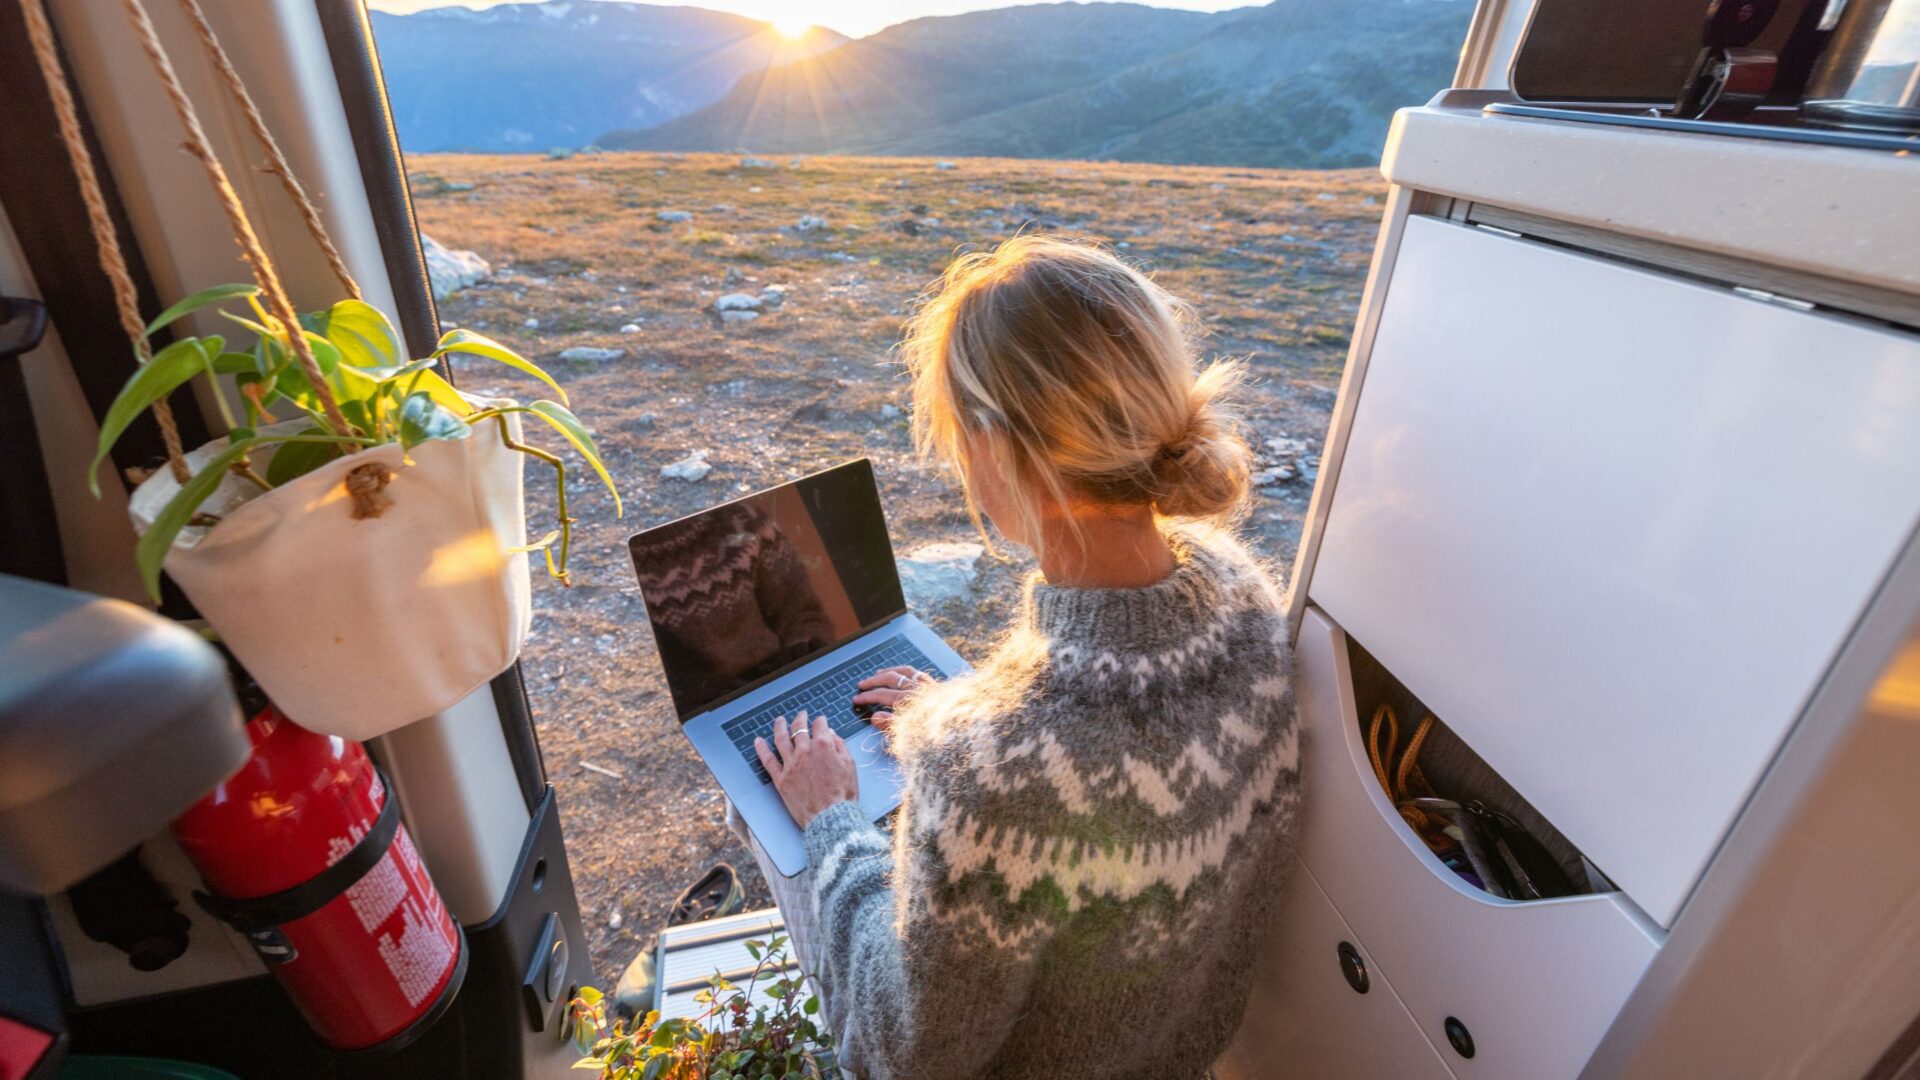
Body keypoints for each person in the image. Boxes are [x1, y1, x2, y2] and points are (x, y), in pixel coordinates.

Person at [742, 235, 1300, 1079]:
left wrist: (832, 823)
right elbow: (1109, 746)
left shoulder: (987, 769)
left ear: (997, 450)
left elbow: (902, 1054)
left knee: (762, 818)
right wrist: (972, 720)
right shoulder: (1245, 595)